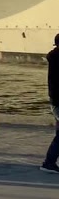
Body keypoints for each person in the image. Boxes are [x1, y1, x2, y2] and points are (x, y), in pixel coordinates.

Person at [42, 34, 59, 174]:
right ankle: (49, 162)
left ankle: (49, 162)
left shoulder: (54, 58)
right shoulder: (58, 59)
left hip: (56, 100)